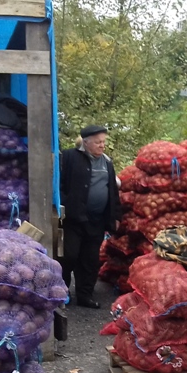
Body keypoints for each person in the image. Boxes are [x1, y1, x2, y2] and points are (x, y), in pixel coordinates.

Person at [59, 125, 121, 308]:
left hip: (97, 219)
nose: (102, 146)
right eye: (98, 142)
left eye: (103, 142)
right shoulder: (69, 157)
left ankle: (85, 295)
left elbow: (112, 191)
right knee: (69, 256)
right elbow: (59, 183)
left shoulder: (107, 162)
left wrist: (115, 215)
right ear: (85, 143)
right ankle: (61, 293)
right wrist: (65, 203)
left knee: (90, 259)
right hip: (74, 218)